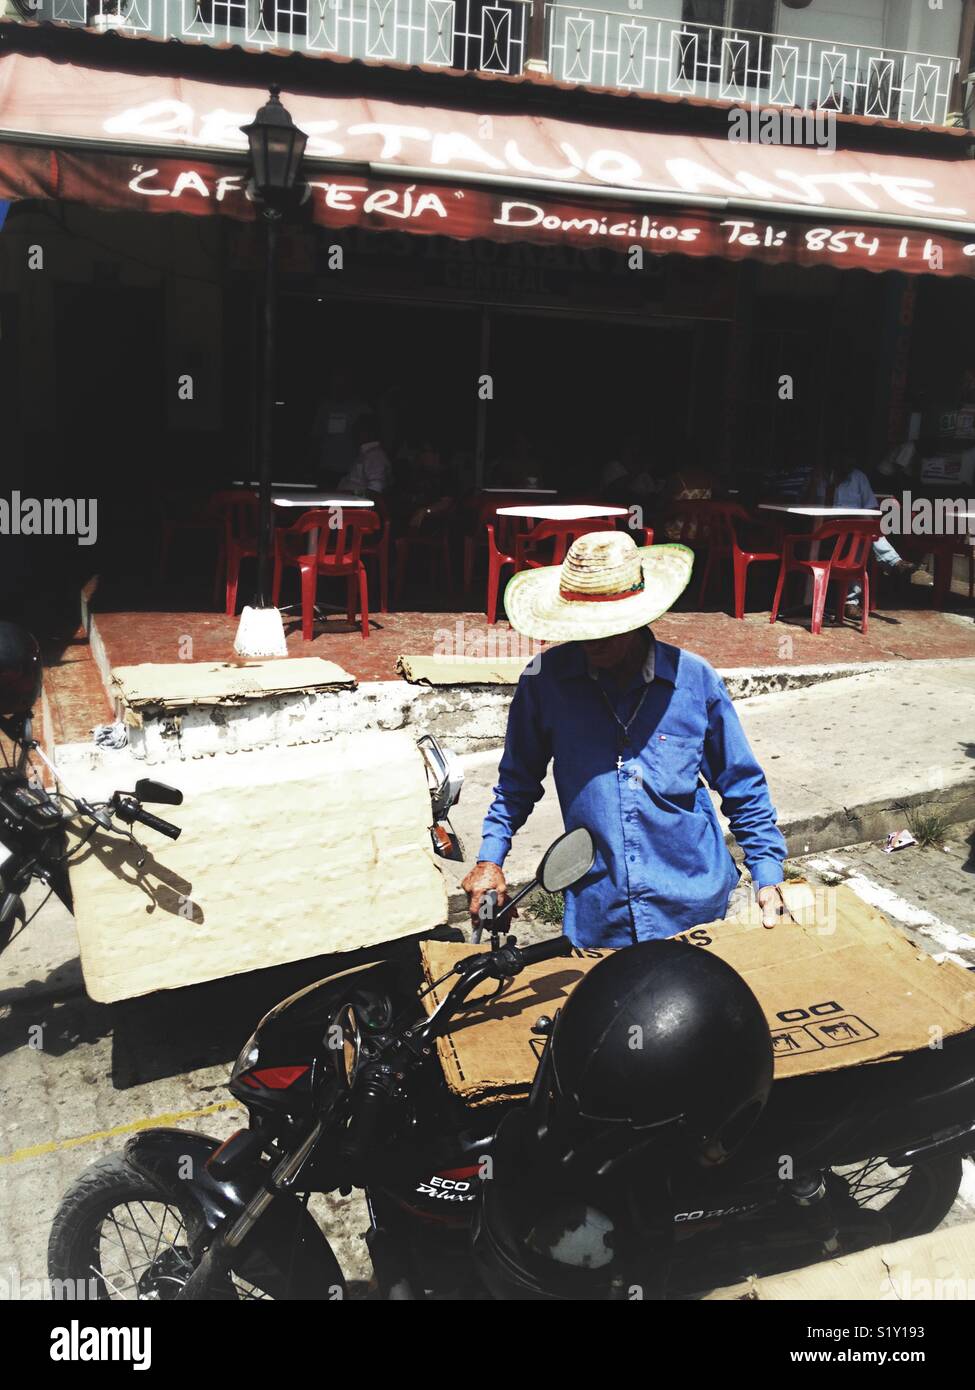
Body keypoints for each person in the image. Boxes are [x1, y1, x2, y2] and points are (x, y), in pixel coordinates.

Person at [461, 531, 794, 948]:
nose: (593, 640)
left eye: (608, 628)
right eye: (581, 627)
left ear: (640, 618)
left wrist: (767, 874)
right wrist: (490, 859)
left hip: (695, 907)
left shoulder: (694, 680)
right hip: (602, 911)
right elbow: (516, 783)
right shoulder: (544, 682)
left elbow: (741, 784)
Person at [807, 451, 915, 617]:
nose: (849, 463)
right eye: (844, 459)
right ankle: (893, 563)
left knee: (860, 537)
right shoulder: (820, 476)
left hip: (853, 529)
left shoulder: (859, 477)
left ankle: (851, 602)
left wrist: (866, 524)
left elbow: (870, 506)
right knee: (861, 534)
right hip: (824, 528)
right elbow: (807, 502)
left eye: (851, 459)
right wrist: (816, 484)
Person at [311, 372, 368, 485]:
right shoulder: (325, 408)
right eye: (336, 384)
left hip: (352, 468)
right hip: (326, 466)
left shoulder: (361, 409)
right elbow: (316, 436)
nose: (339, 388)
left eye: (343, 384)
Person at [339, 415, 392, 496]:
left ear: (370, 432)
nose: (354, 434)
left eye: (358, 430)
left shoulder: (375, 456)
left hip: (357, 504)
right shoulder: (366, 454)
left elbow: (376, 487)